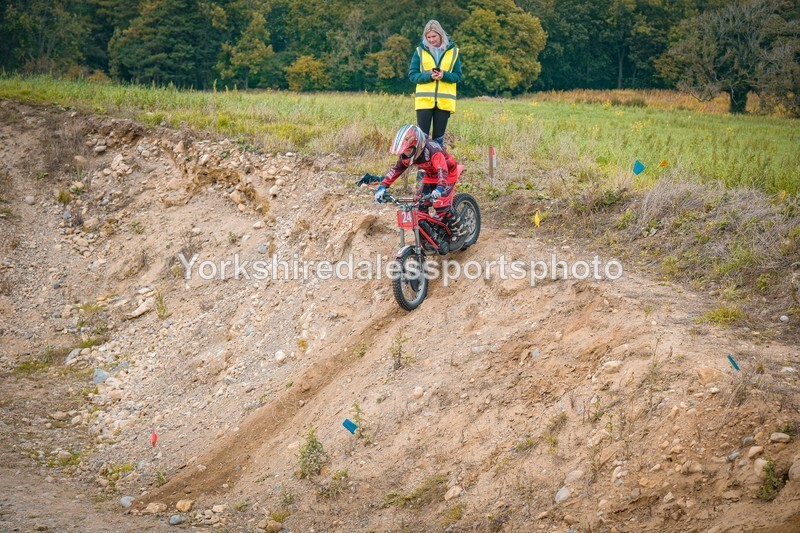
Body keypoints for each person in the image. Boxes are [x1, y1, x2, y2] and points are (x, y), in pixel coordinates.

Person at [371, 125, 465, 248]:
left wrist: (440, 188)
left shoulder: (433, 150)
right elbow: (396, 169)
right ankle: (431, 235)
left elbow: (442, 170)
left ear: (418, 146)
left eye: (409, 151)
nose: (406, 154)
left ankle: (460, 232)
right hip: (430, 176)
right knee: (418, 206)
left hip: (447, 174)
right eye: (404, 152)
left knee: (441, 205)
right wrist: (382, 187)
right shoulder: (408, 155)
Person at [409, 20, 462, 148]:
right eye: (428, 37)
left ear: (441, 35)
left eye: (434, 36)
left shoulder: (454, 52)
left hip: (444, 102)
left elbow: (458, 76)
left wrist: (444, 75)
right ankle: (423, 166)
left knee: (438, 140)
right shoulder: (419, 52)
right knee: (422, 139)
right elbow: (412, 75)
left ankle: (437, 166)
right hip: (424, 101)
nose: (431, 40)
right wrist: (429, 75)